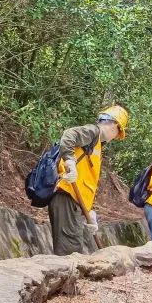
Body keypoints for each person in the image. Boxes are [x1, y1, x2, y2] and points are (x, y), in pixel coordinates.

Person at [48, 105, 129, 256]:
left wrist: (90, 213)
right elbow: (69, 135)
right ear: (115, 126)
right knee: (70, 252)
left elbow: (86, 180)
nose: (116, 138)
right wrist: (70, 163)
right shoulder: (93, 132)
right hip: (66, 196)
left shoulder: (96, 144)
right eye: (119, 133)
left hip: (74, 203)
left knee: (73, 249)